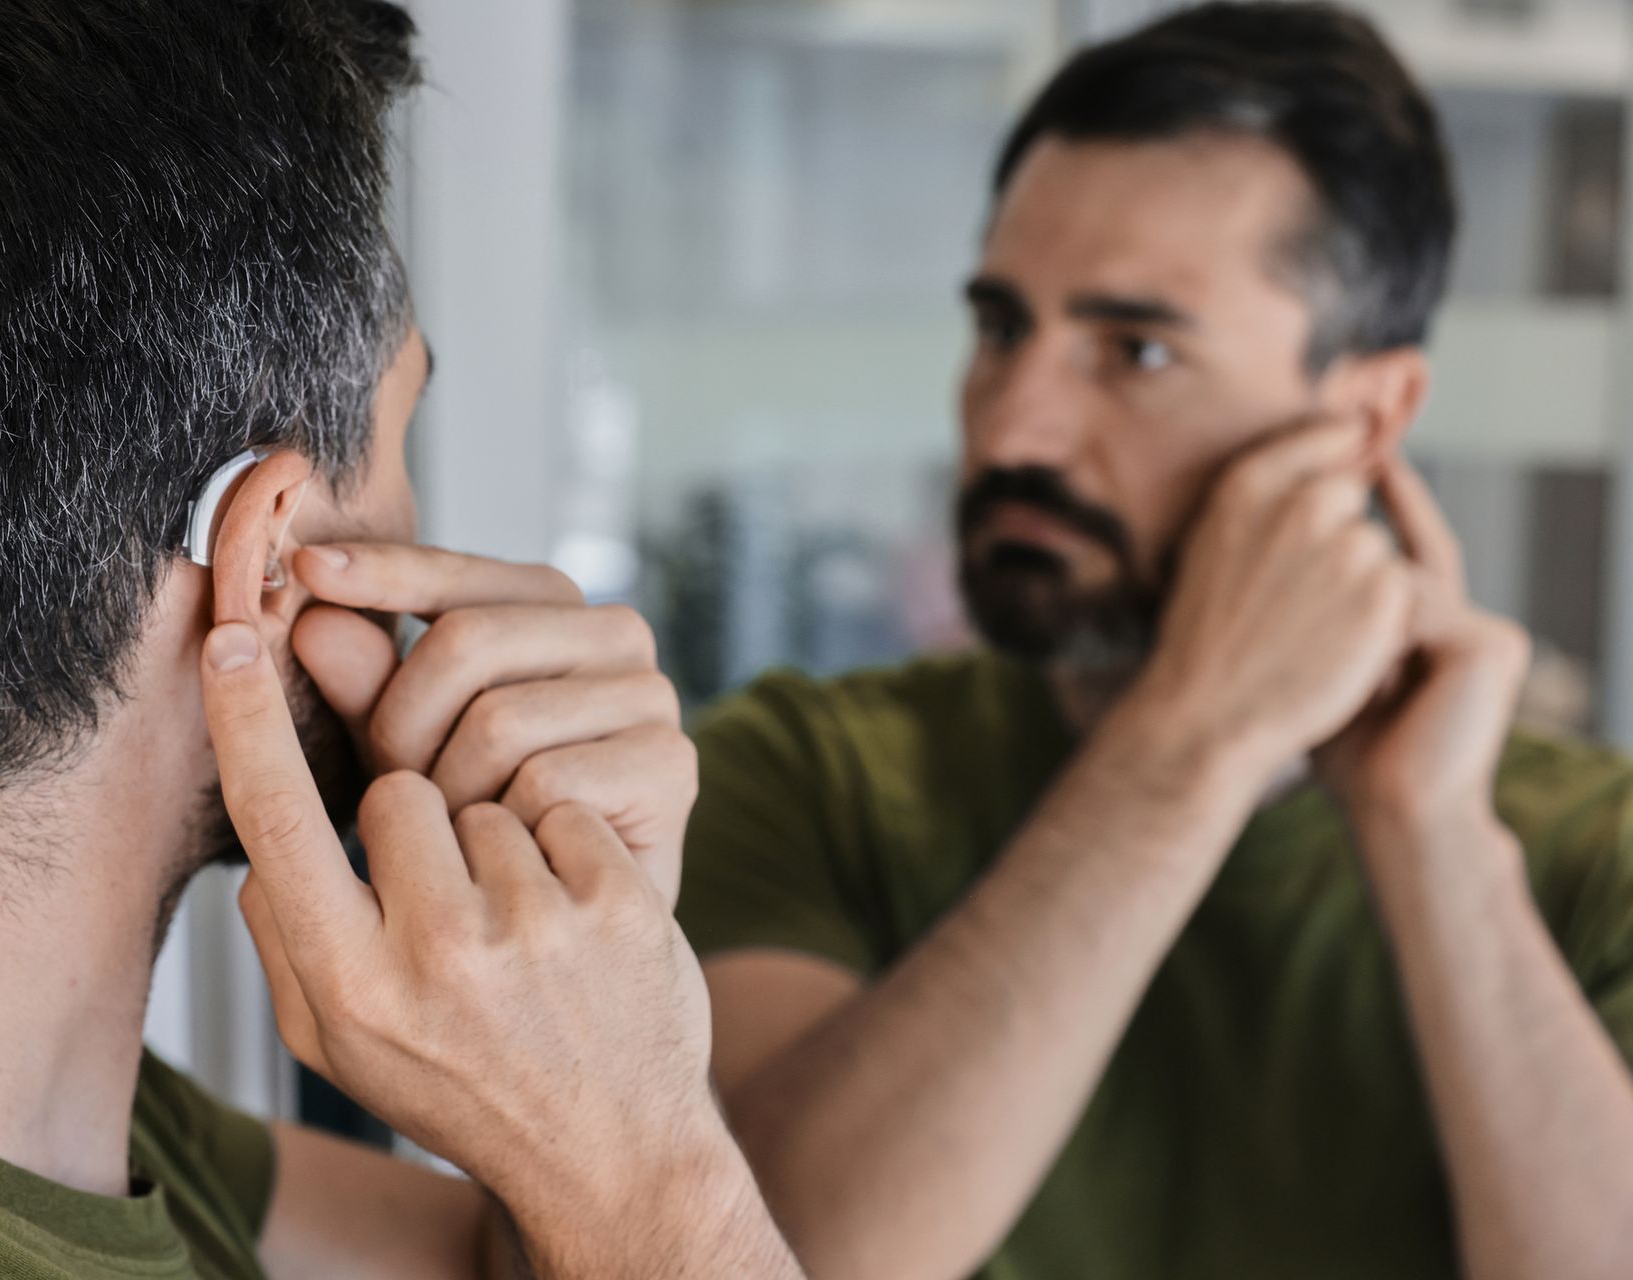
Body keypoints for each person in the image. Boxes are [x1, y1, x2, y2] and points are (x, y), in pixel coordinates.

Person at [0, 3, 802, 1277]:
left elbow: (512, 1258)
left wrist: (598, 1030)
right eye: (400, 439)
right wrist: (646, 1160)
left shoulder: (6, 1120)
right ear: (266, 554)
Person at [677, 5, 1633, 1279]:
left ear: (1366, 416)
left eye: (1136, 349)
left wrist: (1434, 837)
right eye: (1002, 327)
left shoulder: (1599, 856)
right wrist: (1191, 741)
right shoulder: (806, 774)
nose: (1012, 426)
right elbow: (770, 1259)